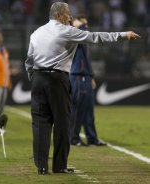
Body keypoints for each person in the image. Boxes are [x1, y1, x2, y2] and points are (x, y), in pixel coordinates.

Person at [25, 2, 140, 175]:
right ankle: (59, 166)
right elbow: (96, 37)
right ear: (59, 15)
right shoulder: (66, 31)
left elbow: (29, 61)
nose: (70, 17)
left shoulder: (36, 33)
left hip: (38, 79)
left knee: (40, 124)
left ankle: (41, 167)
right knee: (62, 123)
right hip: (58, 79)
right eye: (67, 13)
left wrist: (35, 79)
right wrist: (124, 35)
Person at [69, 16, 106, 146]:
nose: (86, 27)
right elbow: (79, 29)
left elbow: (87, 61)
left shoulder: (85, 41)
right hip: (77, 75)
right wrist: (78, 24)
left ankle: (92, 138)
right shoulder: (75, 37)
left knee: (88, 109)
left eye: (87, 24)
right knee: (77, 108)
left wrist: (91, 76)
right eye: (84, 24)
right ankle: (73, 138)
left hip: (86, 76)